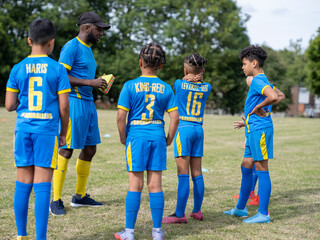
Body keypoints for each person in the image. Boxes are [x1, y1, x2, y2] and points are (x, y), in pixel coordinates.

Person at [5, 18, 70, 240]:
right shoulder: (58, 69)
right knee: (43, 185)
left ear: (29, 40)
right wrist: (63, 132)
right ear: (52, 43)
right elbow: (64, 106)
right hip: (46, 131)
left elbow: (9, 105)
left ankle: (21, 235)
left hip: (24, 130)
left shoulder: (17, 68)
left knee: (22, 182)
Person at [115, 43, 179, 240]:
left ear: (140, 62)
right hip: (157, 135)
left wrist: (122, 136)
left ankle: (129, 232)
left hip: (137, 136)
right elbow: (175, 117)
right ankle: (157, 232)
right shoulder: (166, 88)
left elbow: (120, 117)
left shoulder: (129, 85)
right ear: (161, 66)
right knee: (155, 185)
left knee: (135, 185)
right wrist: (169, 137)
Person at [50, 12, 110, 215]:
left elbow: (84, 76)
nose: (101, 33)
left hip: (88, 104)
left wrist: (98, 82)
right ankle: (56, 199)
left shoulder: (88, 50)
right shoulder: (71, 46)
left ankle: (79, 196)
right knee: (66, 149)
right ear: (86, 27)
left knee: (90, 149)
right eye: (98, 29)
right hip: (74, 103)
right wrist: (89, 82)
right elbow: (61, 75)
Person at [223, 45, 285, 223]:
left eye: (244, 64)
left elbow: (274, 96)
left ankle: (263, 214)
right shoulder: (262, 80)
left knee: (261, 169)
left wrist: (258, 108)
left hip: (260, 130)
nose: (243, 67)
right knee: (246, 167)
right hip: (253, 128)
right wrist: (249, 119)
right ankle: (240, 209)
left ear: (254, 63)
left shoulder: (258, 80)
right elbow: (280, 95)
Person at [162, 53, 211, 224]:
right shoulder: (208, 87)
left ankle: (179, 214)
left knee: (183, 174)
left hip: (183, 129)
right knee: (197, 173)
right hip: (199, 129)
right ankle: (197, 211)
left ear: (185, 70)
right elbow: (201, 83)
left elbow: (182, 82)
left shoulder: (178, 84)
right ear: (202, 71)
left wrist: (186, 78)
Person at [233, 76, 259, 206]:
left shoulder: (263, 94)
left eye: (251, 86)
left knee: (259, 166)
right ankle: (249, 192)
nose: (250, 88)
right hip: (251, 132)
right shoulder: (255, 94)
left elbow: (261, 115)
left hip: (258, 132)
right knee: (249, 165)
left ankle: (254, 194)